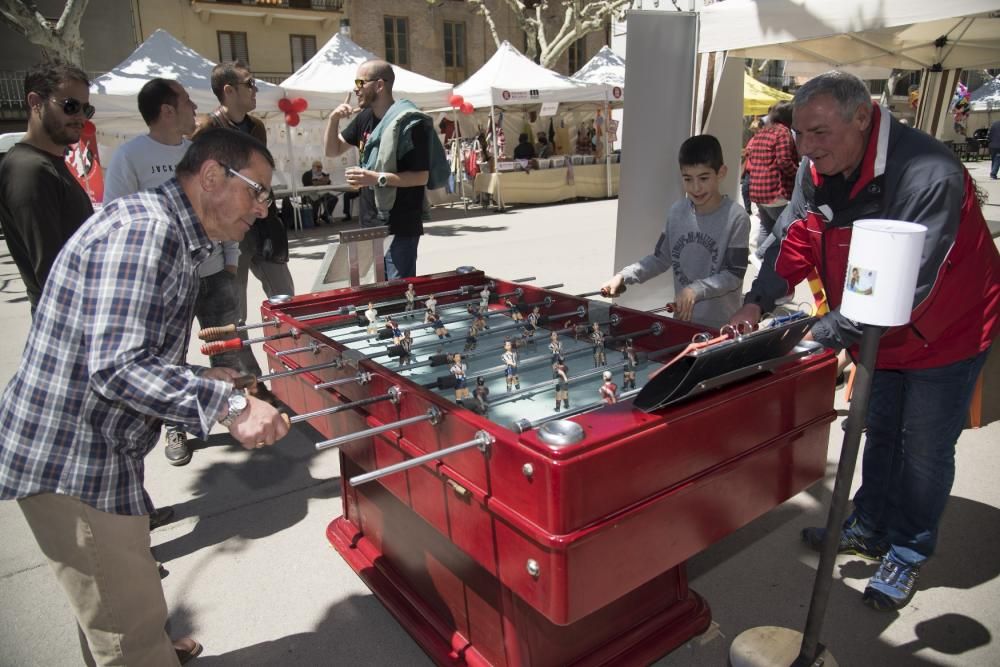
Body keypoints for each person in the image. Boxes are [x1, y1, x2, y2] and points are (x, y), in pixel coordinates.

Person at [0, 127, 291, 665]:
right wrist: (230, 407)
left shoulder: (164, 227)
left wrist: (204, 381)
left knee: (118, 592)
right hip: (73, 457)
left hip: (92, 446)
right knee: (122, 630)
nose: (263, 207)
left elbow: (122, 350)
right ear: (211, 176)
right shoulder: (146, 232)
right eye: (257, 190)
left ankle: (145, 641)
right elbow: (117, 368)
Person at [729, 71, 1000, 612]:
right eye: (800, 134)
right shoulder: (816, 166)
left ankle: (908, 547)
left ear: (863, 117)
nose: (807, 148)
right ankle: (870, 525)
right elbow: (794, 235)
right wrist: (759, 298)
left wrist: (816, 337)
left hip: (944, 330)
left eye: (820, 133)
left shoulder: (928, 175)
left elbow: (911, 288)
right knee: (876, 427)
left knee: (923, 448)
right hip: (873, 326)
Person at [104, 78, 263, 468]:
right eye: (187, 102)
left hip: (210, 272)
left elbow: (221, 207)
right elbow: (115, 216)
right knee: (164, 357)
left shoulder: (197, 152)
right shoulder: (131, 156)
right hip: (160, 279)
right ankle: (176, 425)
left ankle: (249, 404)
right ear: (166, 110)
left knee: (228, 342)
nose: (195, 108)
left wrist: (229, 259)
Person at [601, 135, 750, 330]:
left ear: (721, 172)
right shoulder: (676, 212)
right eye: (688, 179)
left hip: (722, 324)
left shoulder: (736, 216)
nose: (696, 187)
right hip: (684, 321)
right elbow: (660, 259)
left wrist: (695, 290)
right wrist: (623, 276)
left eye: (704, 178)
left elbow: (734, 274)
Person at [323, 59, 449, 279]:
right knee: (375, 297)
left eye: (360, 82)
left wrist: (376, 178)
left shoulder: (410, 123)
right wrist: (333, 119)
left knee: (399, 295)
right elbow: (332, 151)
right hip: (369, 223)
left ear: (379, 85)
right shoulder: (364, 118)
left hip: (400, 224)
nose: (356, 88)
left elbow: (420, 177)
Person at [194, 61, 294, 327]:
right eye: (249, 83)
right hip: (230, 233)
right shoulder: (205, 128)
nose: (256, 89)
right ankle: (239, 367)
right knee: (234, 312)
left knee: (286, 300)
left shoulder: (256, 127)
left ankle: (287, 357)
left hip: (263, 223)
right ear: (228, 90)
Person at [0, 60, 94, 316]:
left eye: (86, 109)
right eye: (71, 106)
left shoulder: (48, 163)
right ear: (35, 102)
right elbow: (52, 271)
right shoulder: (29, 170)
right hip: (69, 326)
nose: (81, 118)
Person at [745, 101, 799, 259]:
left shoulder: (762, 132)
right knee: (786, 226)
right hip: (775, 191)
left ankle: (762, 265)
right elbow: (784, 161)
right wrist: (799, 174)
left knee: (765, 227)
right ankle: (761, 256)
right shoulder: (782, 132)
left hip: (758, 190)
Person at [301, 159, 339, 224]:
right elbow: (306, 184)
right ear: (313, 167)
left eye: (321, 167)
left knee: (334, 198)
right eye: (318, 167)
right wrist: (315, 182)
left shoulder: (323, 174)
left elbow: (329, 182)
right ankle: (314, 219)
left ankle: (325, 215)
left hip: (323, 193)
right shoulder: (307, 174)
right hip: (311, 194)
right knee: (316, 200)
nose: (320, 168)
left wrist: (325, 181)